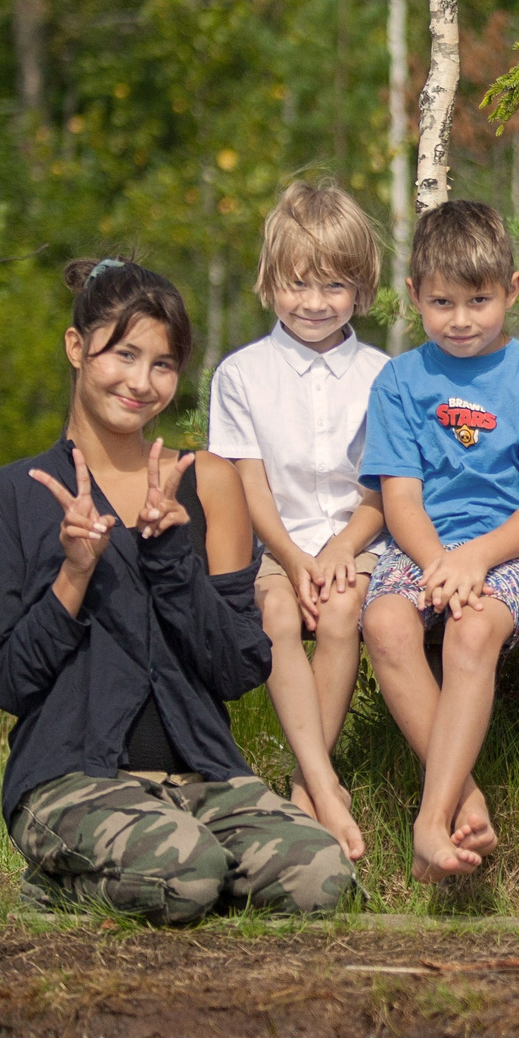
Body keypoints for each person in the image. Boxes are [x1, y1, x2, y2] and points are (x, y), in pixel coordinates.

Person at [0, 257, 354, 925]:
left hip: (205, 781)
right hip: (68, 784)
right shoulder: (8, 499)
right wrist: (74, 572)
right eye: (123, 354)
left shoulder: (206, 485)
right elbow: (10, 682)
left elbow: (238, 667)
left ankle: (178, 874)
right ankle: (57, 882)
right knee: (187, 870)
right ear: (76, 347)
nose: (140, 382)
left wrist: (172, 557)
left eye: (163, 364)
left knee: (322, 877)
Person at [359, 201, 519, 882]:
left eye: (479, 300)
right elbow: (401, 499)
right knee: (387, 622)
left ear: (512, 289)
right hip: (423, 549)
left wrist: (476, 558)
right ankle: (466, 793)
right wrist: (436, 562)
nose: (460, 319)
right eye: (443, 301)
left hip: (509, 553)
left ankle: (430, 816)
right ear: (413, 295)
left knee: (471, 630)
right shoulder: (399, 381)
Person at [206, 181, 390, 862]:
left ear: (361, 289)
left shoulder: (383, 375)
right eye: (298, 283)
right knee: (278, 614)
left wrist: (340, 549)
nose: (315, 303)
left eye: (335, 286)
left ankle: (304, 783)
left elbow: (383, 489)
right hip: (272, 545)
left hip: (358, 540)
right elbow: (248, 487)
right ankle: (322, 783)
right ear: (270, 280)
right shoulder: (242, 375)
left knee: (344, 613)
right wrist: (290, 558)